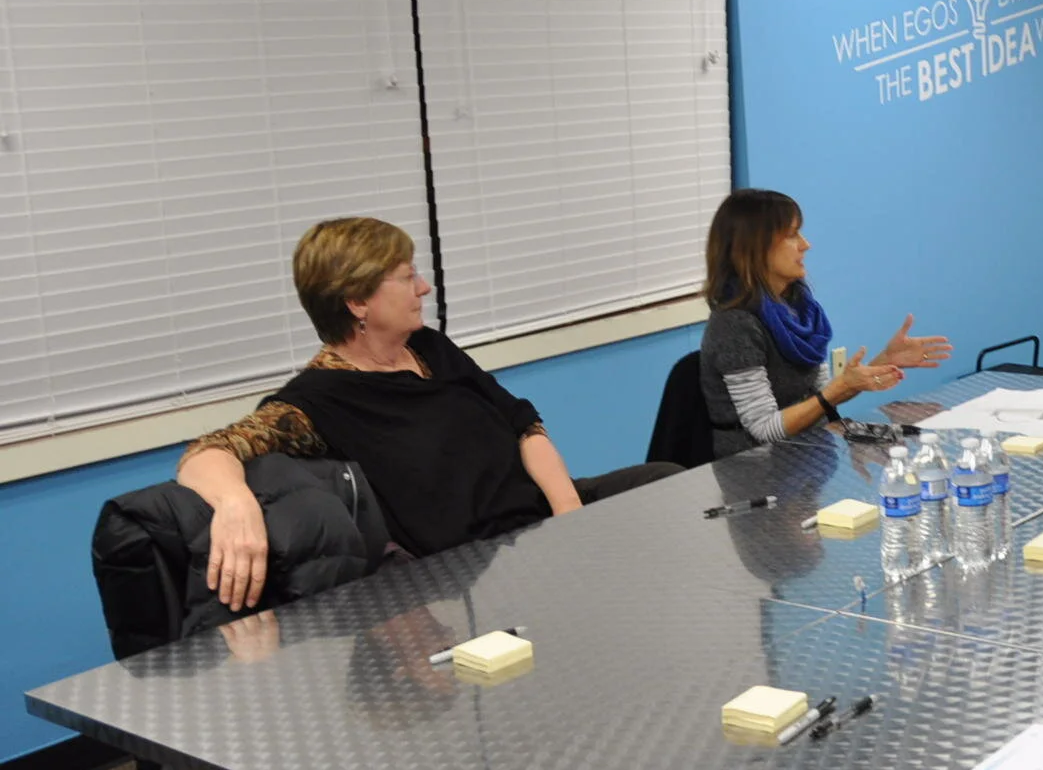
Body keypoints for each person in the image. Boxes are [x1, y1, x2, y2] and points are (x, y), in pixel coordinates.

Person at [179, 217, 679, 611]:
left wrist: (569, 514)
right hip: (480, 567)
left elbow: (523, 424)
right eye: (406, 277)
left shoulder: (429, 348)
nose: (423, 288)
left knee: (669, 484)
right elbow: (208, 453)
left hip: (545, 519)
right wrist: (234, 502)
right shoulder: (318, 400)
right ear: (357, 301)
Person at [699, 189, 951, 460]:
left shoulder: (799, 308)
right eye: (792, 235)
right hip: (756, 468)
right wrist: (840, 387)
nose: (805, 245)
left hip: (810, 454)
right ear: (755, 247)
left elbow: (819, 398)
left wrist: (883, 362)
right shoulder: (735, 324)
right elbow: (764, 429)